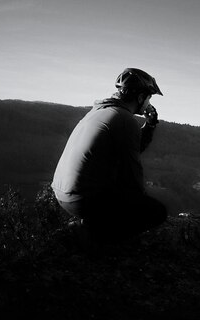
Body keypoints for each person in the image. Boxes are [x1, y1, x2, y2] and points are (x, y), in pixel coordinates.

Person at [52, 68, 167, 244]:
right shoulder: (124, 120)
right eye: (149, 97)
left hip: (63, 194)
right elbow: (132, 172)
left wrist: (149, 126)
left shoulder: (100, 111)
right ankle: (94, 238)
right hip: (83, 199)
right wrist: (138, 204)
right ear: (140, 97)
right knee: (156, 212)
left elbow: (131, 148)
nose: (149, 102)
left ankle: (91, 225)